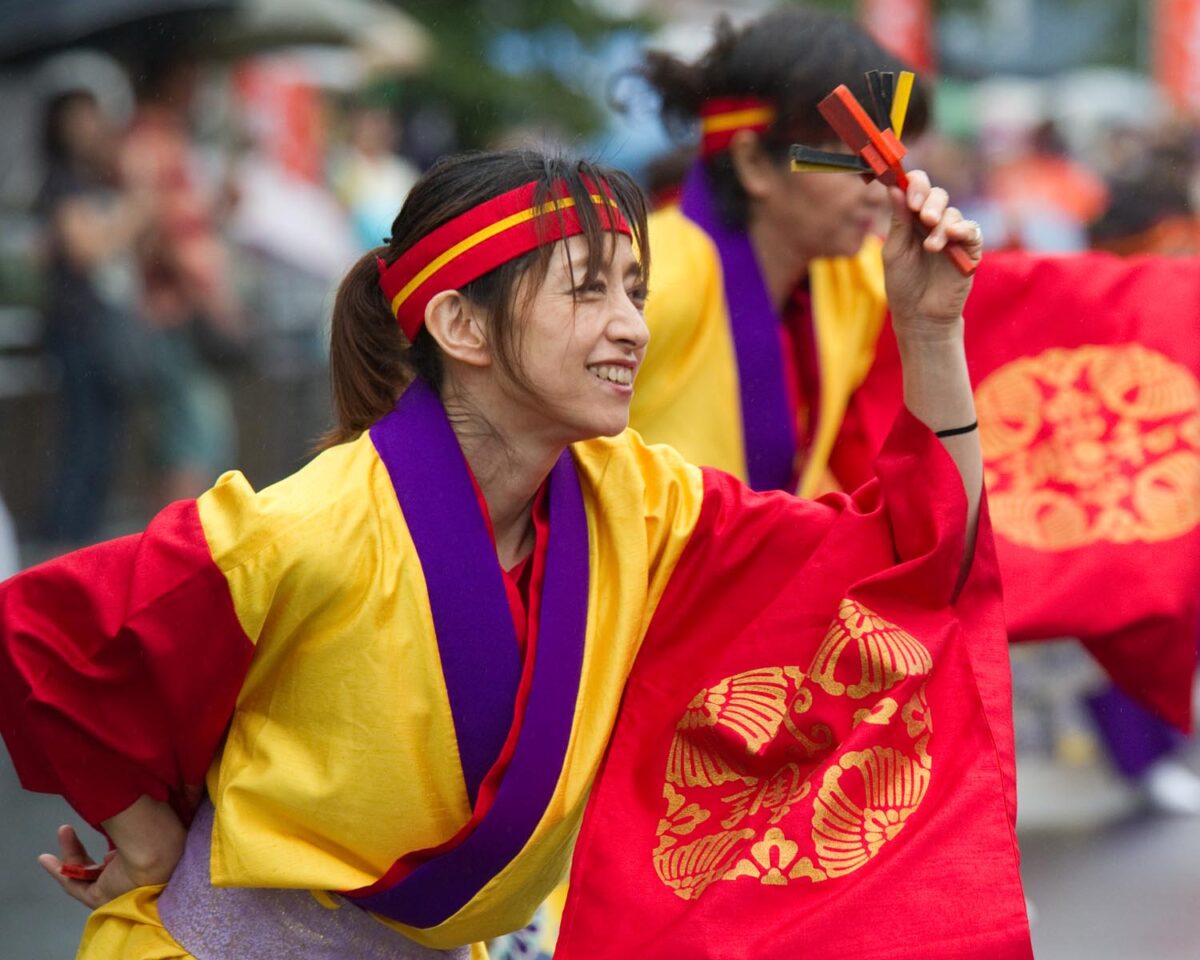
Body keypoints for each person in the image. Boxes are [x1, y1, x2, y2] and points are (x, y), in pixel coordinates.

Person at [0, 150, 1024, 957]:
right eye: (590, 290)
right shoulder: (306, 527)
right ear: (460, 323)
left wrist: (930, 329)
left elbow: (912, 554)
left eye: (635, 289)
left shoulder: (643, 504)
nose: (633, 326)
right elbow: (41, 638)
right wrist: (149, 841)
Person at [628, 7, 925, 498]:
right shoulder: (643, 282)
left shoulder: (858, 275)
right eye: (855, 162)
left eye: (889, 160)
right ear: (752, 163)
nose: (880, 191)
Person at [35, 88, 152, 545]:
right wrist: (133, 214)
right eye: (78, 119)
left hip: (106, 328)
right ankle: (62, 541)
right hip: (77, 328)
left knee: (105, 441)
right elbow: (85, 249)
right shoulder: (61, 182)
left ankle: (83, 541)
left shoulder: (99, 181)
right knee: (84, 440)